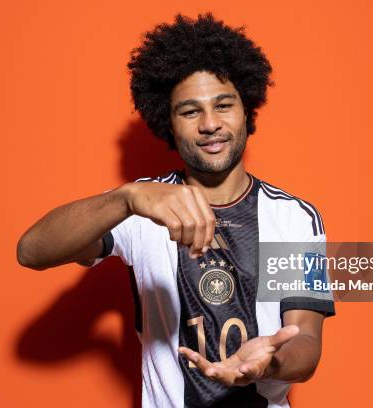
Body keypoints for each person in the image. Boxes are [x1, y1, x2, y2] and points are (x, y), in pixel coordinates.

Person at [17, 13, 335, 408]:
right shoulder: (140, 206)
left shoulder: (291, 218)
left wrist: (269, 364)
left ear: (246, 110)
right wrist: (126, 198)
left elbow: (306, 341)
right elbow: (31, 251)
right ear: (168, 122)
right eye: (189, 111)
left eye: (223, 105)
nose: (209, 124)